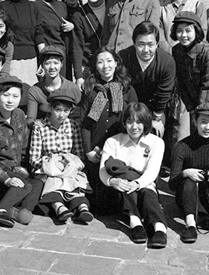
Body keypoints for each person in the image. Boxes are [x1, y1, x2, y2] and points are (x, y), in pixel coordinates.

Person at [100, 102, 167, 248]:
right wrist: (112, 181)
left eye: (139, 122)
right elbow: (102, 170)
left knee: (147, 191)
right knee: (124, 179)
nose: (134, 127)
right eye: (130, 121)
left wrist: (137, 183)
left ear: (146, 122)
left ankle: (159, 227)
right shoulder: (112, 141)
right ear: (124, 123)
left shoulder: (156, 142)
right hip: (120, 188)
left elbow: (152, 171)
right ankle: (135, 222)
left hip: (144, 184)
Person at [80, 46, 137, 214]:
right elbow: (85, 124)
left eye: (109, 61)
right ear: (95, 66)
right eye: (100, 62)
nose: (106, 66)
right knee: (99, 205)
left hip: (119, 149)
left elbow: (135, 121)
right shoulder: (91, 90)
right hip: (96, 150)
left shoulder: (126, 89)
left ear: (116, 63)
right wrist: (89, 151)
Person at [168, 104, 209, 244]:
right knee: (189, 181)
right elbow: (172, 184)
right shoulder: (182, 147)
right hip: (187, 197)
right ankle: (190, 224)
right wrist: (185, 173)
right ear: (195, 121)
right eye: (203, 122)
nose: (207, 127)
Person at [0, 75, 43, 227]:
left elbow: (24, 147)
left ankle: (19, 211)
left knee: (37, 183)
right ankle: (0, 210)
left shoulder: (19, 115)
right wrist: (6, 179)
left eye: (15, 96)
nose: (10, 100)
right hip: (0, 173)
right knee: (24, 185)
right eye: (6, 95)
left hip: (17, 170)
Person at [29, 90, 92, 223]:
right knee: (53, 180)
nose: (61, 115)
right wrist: (53, 164)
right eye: (58, 110)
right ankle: (59, 208)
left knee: (74, 179)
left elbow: (79, 153)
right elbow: (34, 159)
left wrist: (68, 163)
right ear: (50, 108)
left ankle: (83, 208)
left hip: (69, 166)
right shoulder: (40, 127)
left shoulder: (73, 126)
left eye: (66, 111)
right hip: (48, 168)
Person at [171, 12, 209, 138]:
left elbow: (208, 85)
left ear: (196, 31)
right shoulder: (176, 50)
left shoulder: (207, 52)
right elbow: (181, 82)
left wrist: (200, 111)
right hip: (194, 98)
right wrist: (191, 107)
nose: (183, 35)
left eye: (188, 31)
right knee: (196, 135)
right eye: (179, 31)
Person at [120, 22, 176, 139]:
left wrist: (155, 119)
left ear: (157, 44)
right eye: (141, 44)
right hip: (128, 107)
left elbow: (163, 94)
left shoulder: (167, 62)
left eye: (150, 44)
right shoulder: (123, 58)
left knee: (154, 132)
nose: (146, 50)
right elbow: (119, 89)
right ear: (134, 43)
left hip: (154, 108)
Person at [0, 0, 45, 85]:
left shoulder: (34, 7)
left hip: (32, 62)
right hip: (10, 61)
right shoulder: (2, 7)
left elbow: (39, 35)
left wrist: (44, 60)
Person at [27, 46, 81, 126]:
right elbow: (30, 119)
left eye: (56, 63)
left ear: (61, 64)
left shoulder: (73, 88)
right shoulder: (35, 91)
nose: (52, 67)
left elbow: (80, 115)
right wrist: (35, 124)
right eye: (47, 63)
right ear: (42, 65)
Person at [71, 0, 107, 89]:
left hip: (110, 65)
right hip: (89, 65)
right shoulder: (79, 15)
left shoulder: (112, 7)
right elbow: (77, 46)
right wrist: (78, 76)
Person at [34, 0, 73, 76]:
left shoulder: (63, 6)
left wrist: (71, 26)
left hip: (61, 55)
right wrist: (43, 58)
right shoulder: (36, 6)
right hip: (47, 55)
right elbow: (37, 33)